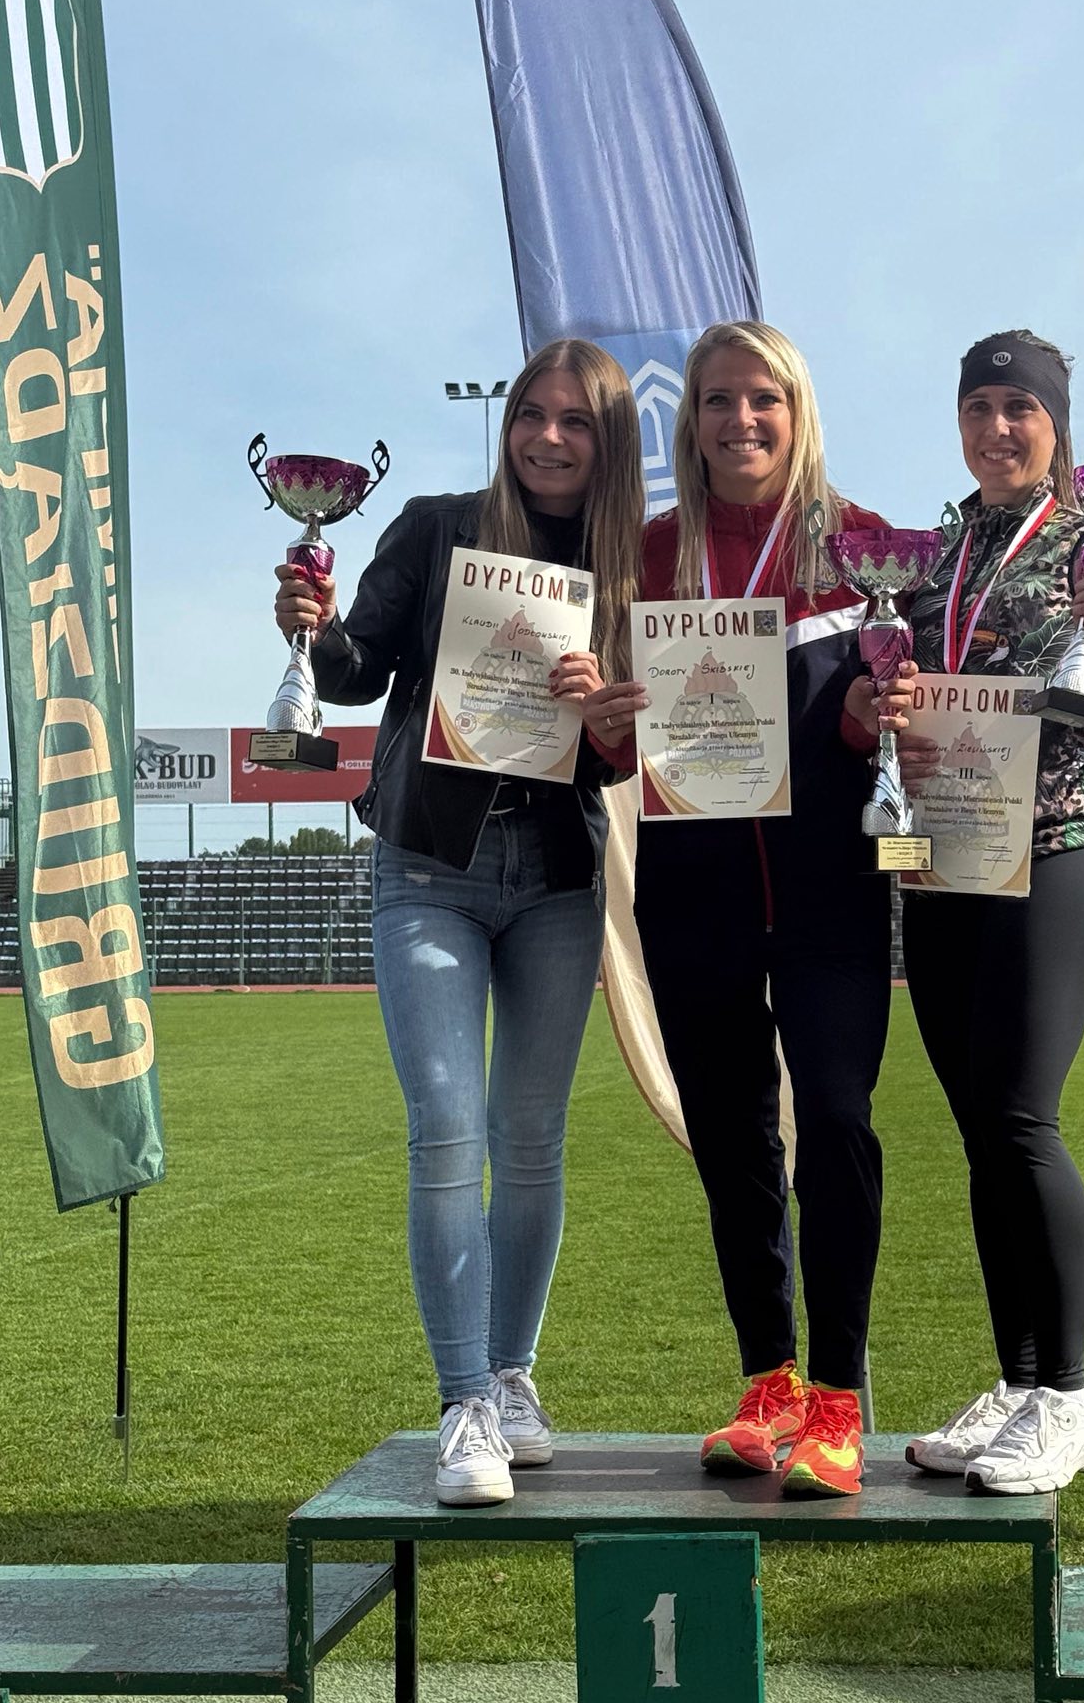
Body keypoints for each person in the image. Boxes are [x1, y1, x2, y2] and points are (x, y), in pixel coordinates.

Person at [273, 340, 643, 1506]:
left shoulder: (629, 568)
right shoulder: (436, 528)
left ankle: (515, 1374)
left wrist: (604, 711)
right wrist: (313, 625)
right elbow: (352, 670)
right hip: (429, 865)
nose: (546, 437)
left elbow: (629, 748)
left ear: (608, 440)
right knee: (445, 1129)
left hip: (558, 878)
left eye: (574, 421)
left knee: (529, 1136)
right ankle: (464, 1400)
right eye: (531, 414)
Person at [583, 321, 903, 1498]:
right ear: (693, 420)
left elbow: (890, 719)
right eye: (718, 400)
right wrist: (604, 725)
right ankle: (767, 1380)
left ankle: (839, 1397)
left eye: (763, 397)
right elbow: (615, 742)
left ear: (796, 409)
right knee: (731, 1138)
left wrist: (872, 719)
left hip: (829, 887)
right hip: (693, 891)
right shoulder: (650, 552)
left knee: (839, 1121)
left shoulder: (863, 545)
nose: (741, 420)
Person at [900, 329, 1084, 1496]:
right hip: (940, 861)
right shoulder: (932, 553)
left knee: (1020, 1118)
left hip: (1054, 850)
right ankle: (1018, 1384)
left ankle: (1070, 1395)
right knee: (979, 1130)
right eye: (979, 407)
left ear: (1056, 424)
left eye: (1019, 408)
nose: (997, 428)